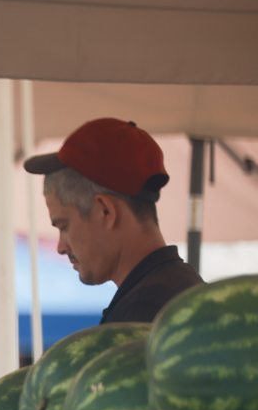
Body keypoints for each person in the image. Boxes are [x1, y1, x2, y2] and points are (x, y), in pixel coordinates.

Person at [25, 117, 203, 323]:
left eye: (64, 226)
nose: (61, 247)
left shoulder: (143, 311)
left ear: (106, 211)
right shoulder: (180, 288)